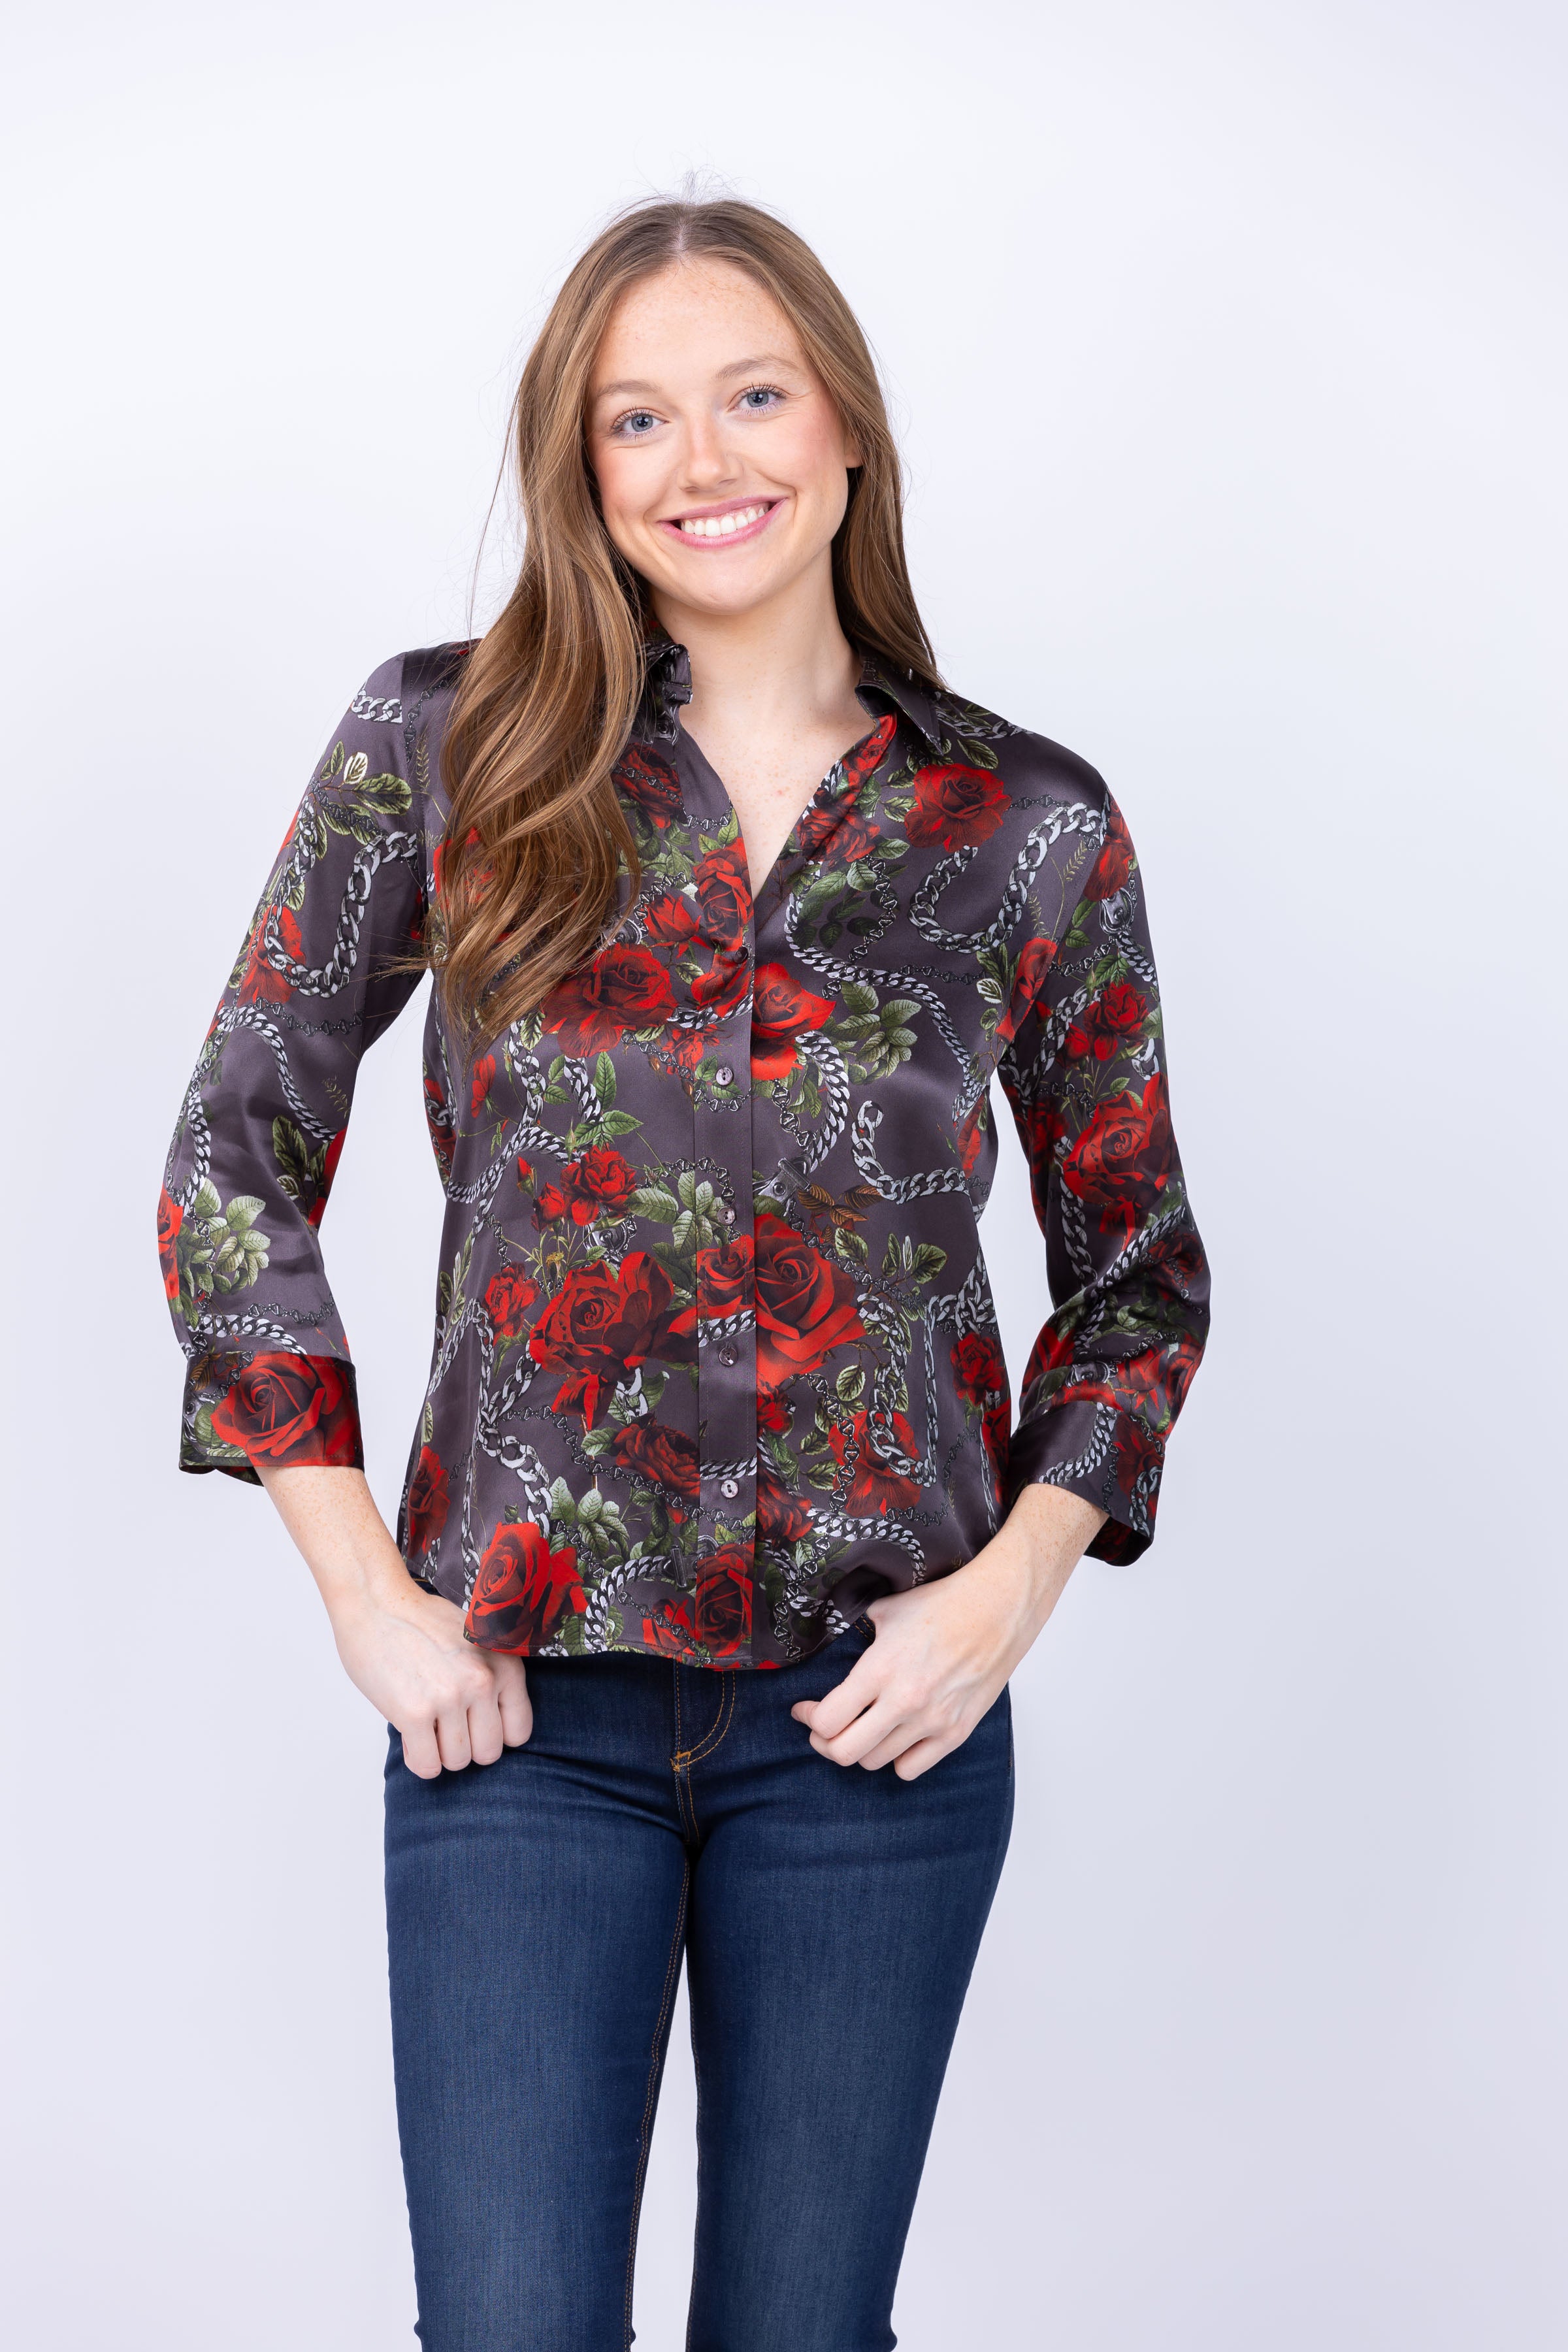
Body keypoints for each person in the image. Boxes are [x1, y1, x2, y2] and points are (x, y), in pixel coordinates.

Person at [157, 196, 1210, 2352]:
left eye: (751, 394)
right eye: (637, 417)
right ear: (582, 463)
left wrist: (1007, 1595)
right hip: (518, 1718)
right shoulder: (446, 746)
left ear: (846, 429)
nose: (702, 458)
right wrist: (362, 1589)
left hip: (873, 1730)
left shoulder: (1023, 824)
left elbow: (1137, 1275)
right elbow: (231, 1160)